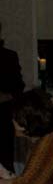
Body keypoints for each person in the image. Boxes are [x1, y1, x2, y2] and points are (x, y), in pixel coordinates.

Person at [0, 24, 25, 172]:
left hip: (3, 119)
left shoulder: (9, 56)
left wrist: (6, 95)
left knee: (6, 163)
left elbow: (19, 87)